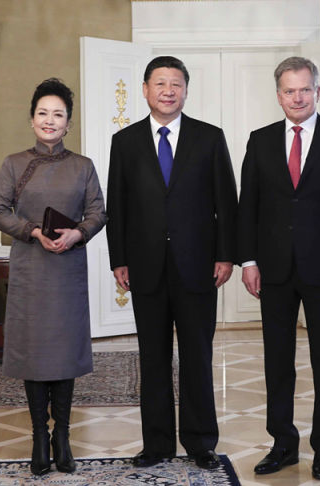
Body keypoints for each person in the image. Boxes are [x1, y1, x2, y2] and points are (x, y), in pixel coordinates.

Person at [237, 56, 320, 480]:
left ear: (318, 91)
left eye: (304, 89)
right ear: (279, 96)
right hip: (273, 268)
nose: (297, 97)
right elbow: (247, 206)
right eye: (289, 90)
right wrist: (249, 260)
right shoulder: (260, 140)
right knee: (277, 362)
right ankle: (283, 444)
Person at [106, 56, 237, 470]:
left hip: (198, 265)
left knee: (197, 355)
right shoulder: (125, 142)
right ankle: (157, 443)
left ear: (185, 90)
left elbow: (226, 203)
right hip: (144, 265)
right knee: (153, 357)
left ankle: (201, 442)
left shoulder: (209, 137)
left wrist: (226, 254)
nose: (168, 91)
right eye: (160, 83)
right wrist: (119, 259)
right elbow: (117, 206)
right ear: (145, 89)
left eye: (176, 83)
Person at [0, 78, 107, 476]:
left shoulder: (83, 166)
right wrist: (33, 231)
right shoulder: (13, 163)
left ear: (69, 123)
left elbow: (98, 212)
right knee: (35, 354)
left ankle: (63, 437)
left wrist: (78, 233)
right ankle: (40, 435)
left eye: (58, 115)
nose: (50, 120)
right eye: (43, 113)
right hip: (30, 269)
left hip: (67, 270)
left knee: (64, 354)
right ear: (32, 119)